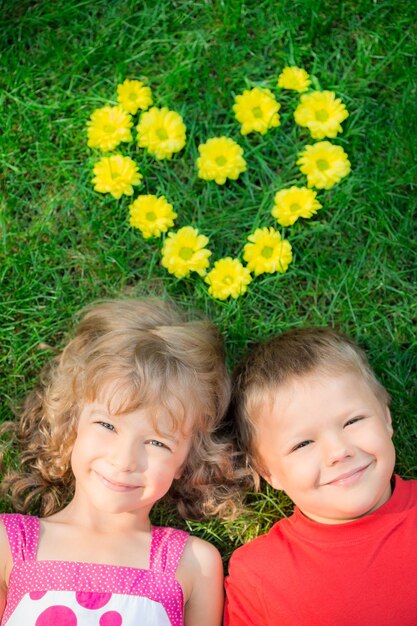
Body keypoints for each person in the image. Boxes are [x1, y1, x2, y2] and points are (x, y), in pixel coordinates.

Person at [0, 297, 237, 626]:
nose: (125, 460)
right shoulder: (10, 545)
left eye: (156, 442)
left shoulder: (194, 564)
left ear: (187, 460)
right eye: (108, 425)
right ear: (73, 425)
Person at [224, 326, 417, 625]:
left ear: (386, 419)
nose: (338, 451)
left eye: (353, 421)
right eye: (303, 444)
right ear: (267, 472)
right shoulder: (258, 575)